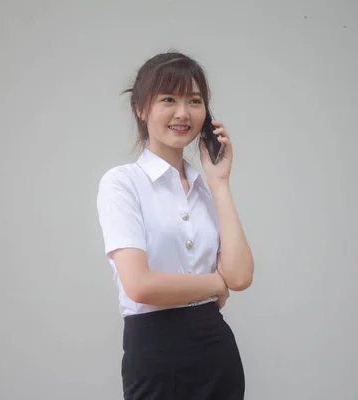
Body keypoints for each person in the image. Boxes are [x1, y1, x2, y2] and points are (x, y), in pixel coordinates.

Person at [96, 50, 254, 400]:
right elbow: (139, 285)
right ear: (141, 108)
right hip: (156, 351)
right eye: (169, 99)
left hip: (217, 350)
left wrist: (221, 183)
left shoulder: (207, 189)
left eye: (194, 101)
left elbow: (240, 277)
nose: (183, 113)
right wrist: (215, 284)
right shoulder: (122, 183)